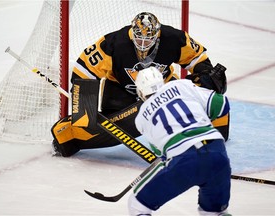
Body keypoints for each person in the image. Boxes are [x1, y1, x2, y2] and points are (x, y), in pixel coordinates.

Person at [51, 12, 229, 157]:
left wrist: (205, 76)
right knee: (92, 128)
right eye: (139, 39)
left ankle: (209, 128)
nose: (143, 44)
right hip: (120, 93)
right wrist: (83, 105)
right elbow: (84, 68)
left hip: (162, 90)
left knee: (206, 94)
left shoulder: (174, 38)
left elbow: (197, 57)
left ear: (157, 35)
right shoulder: (114, 43)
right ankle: (70, 135)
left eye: (148, 40)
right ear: (132, 32)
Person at [128, 66, 231, 216]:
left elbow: (160, 153)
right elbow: (222, 105)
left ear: (141, 91)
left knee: (137, 205)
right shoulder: (180, 85)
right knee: (213, 212)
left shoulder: (141, 118)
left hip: (185, 159)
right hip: (217, 152)